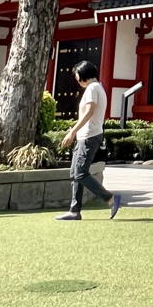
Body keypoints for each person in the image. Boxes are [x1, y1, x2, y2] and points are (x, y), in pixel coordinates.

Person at [56, 61, 124, 221]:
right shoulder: (97, 88)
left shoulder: (92, 88)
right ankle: (74, 210)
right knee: (75, 173)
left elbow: (89, 111)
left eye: (76, 75)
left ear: (81, 75)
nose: (76, 79)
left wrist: (72, 131)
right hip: (87, 135)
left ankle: (110, 198)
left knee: (80, 173)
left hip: (89, 136)